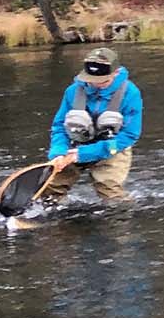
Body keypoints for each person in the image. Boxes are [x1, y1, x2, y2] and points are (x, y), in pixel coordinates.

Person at [35, 47, 144, 213]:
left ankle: (124, 219)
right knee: (50, 187)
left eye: (103, 80)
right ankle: (52, 216)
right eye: (92, 79)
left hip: (112, 147)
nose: (96, 84)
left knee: (109, 190)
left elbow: (129, 135)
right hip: (75, 144)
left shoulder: (130, 93)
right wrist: (58, 152)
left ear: (116, 73)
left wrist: (83, 154)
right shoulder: (72, 91)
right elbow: (59, 126)